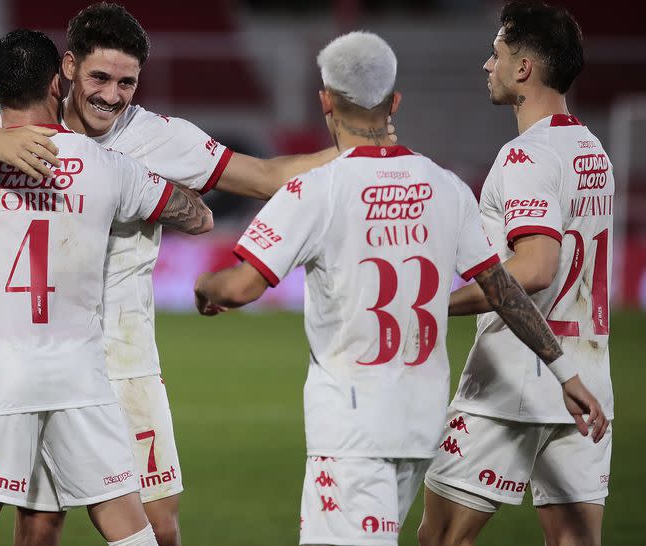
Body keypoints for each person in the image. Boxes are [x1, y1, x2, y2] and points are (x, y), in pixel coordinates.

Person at [0, 4, 352, 545]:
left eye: (128, 83)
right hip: (49, 357)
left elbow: (264, 176)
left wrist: (358, 151)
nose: (112, 95)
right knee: (40, 526)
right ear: (67, 69)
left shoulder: (157, 137)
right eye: (100, 77)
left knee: (159, 523)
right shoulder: (5, 125)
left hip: (125, 357)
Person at [192, 30, 607, 546]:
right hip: (420, 424)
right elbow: (504, 291)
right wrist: (566, 371)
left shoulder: (315, 189)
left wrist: (205, 284)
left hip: (350, 425)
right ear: (393, 101)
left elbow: (239, 289)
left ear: (324, 100)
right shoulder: (446, 186)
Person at [0, 29, 212, 546]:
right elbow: (197, 217)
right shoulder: (110, 167)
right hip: (80, 379)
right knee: (128, 528)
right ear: (57, 83)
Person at [418, 3, 615, 546]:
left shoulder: (525, 157)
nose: (488, 65)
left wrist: (433, 302)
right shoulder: (590, 149)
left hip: (512, 382)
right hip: (586, 379)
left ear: (523, 68)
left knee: (441, 540)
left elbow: (533, 268)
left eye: (497, 54)